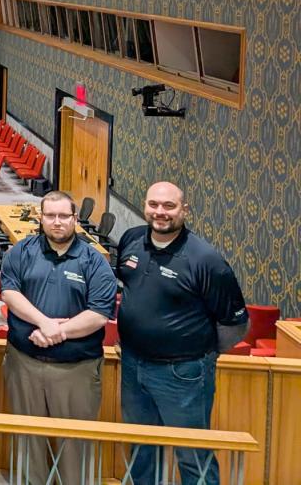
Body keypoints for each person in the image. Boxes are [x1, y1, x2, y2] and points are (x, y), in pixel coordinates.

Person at [117, 181, 248, 485]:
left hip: (183, 374)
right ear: (145, 205)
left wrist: (197, 354)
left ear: (184, 210)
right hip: (133, 366)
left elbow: (236, 324)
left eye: (169, 206)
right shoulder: (131, 239)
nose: (160, 213)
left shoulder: (206, 259)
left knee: (192, 456)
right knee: (140, 448)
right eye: (153, 205)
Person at [0, 191, 117, 485]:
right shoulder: (22, 251)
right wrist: (45, 323)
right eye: (50, 216)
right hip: (24, 363)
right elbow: (9, 293)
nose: (57, 222)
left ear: (75, 219)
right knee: (28, 441)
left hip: (75, 369)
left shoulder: (94, 260)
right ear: (41, 218)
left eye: (64, 216)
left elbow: (99, 313)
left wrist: (59, 332)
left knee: (74, 445)